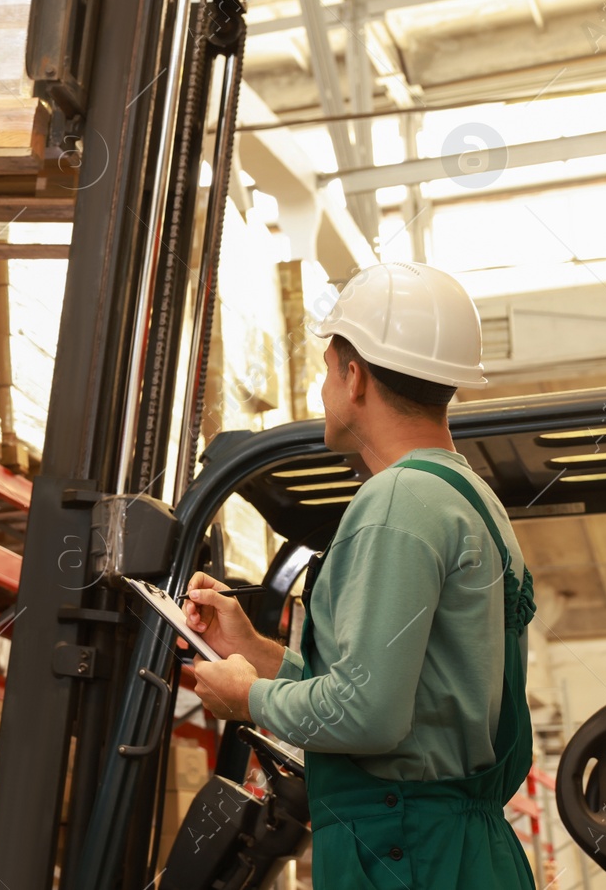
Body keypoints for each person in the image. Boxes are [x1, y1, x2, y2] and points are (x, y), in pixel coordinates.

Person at [186, 262, 537, 890]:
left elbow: (370, 718)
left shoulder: (396, 503)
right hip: (450, 849)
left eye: (326, 369)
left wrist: (245, 697)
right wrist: (259, 656)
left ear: (355, 377)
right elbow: (403, 695)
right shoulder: (466, 498)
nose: (323, 389)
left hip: (403, 855)